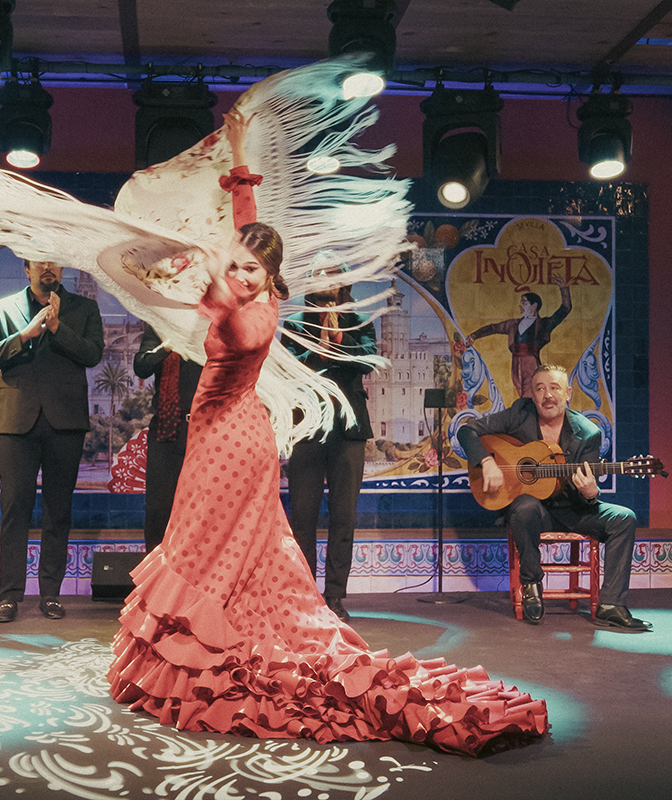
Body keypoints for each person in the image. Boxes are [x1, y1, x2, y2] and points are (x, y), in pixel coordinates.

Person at [107, 108, 547, 757]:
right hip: (220, 436)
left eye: (253, 270)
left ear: (269, 280)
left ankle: (209, 653)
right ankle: (196, 640)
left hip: (231, 445)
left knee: (211, 553)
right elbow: (243, 234)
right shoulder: (252, 288)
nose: (242, 273)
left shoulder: (247, 315)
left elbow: (218, 282)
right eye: (240, 266)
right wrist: (236, 156)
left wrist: (178, 267)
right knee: (205, 545)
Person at [457, 364, 650, 631]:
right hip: (531, 514)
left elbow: (587, 497)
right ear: (532, 396)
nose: (547, 395)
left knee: (624, 518)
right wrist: (487, 462)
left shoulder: (588, 433)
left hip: (574, 510)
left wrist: (591, 493)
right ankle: (532, 586)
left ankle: (611, 606)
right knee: (525, 506)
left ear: (568, 393)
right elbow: (467, 431)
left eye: (554, 388)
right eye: (540, 388)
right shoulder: (519, 414)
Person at [0, 260, 104, 623]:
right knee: (14, 509)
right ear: (26, 269)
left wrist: (57, 328)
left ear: (61, 270)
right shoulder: (3, 308)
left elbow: (93, 354)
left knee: (57, 511)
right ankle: (9, 597)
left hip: (65, 420)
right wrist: (24, 337)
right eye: (39, 262)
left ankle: (50, 594)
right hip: (17, 419)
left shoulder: (84, 308)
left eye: (53, 262)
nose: (47, 268)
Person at [281, 285, 376, 623]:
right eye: (318, 276)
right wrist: (319, 347)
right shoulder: (294, 323)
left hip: (349, 430)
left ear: (345, 284)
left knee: (343, 517)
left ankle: (335, 595)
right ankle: (305, 596)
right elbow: (287, 366)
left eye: (332, 276)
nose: (325, 283)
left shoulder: (359, 321)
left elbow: (366, 361)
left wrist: (339, 337)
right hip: (307, 425)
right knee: (303, 518)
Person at [133, 325, 202, 552]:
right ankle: (156, 581)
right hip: (167, 427)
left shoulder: (214, 323)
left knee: (202, 511)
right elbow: (141, 366)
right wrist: (168, 345)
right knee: (158, 511)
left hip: (207, 430)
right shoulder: (159, 322)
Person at [465, 275, 571, 398]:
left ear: (534, 306)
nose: (520, 306)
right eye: (521, 303)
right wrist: (474, 335)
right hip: (515, 362)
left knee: (530, 393)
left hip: (531, 362)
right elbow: (493, 328)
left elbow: (565, 309)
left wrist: (564, 289)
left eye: (524, 303)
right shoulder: (513, 324)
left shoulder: (544, 324)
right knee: (521, 392)